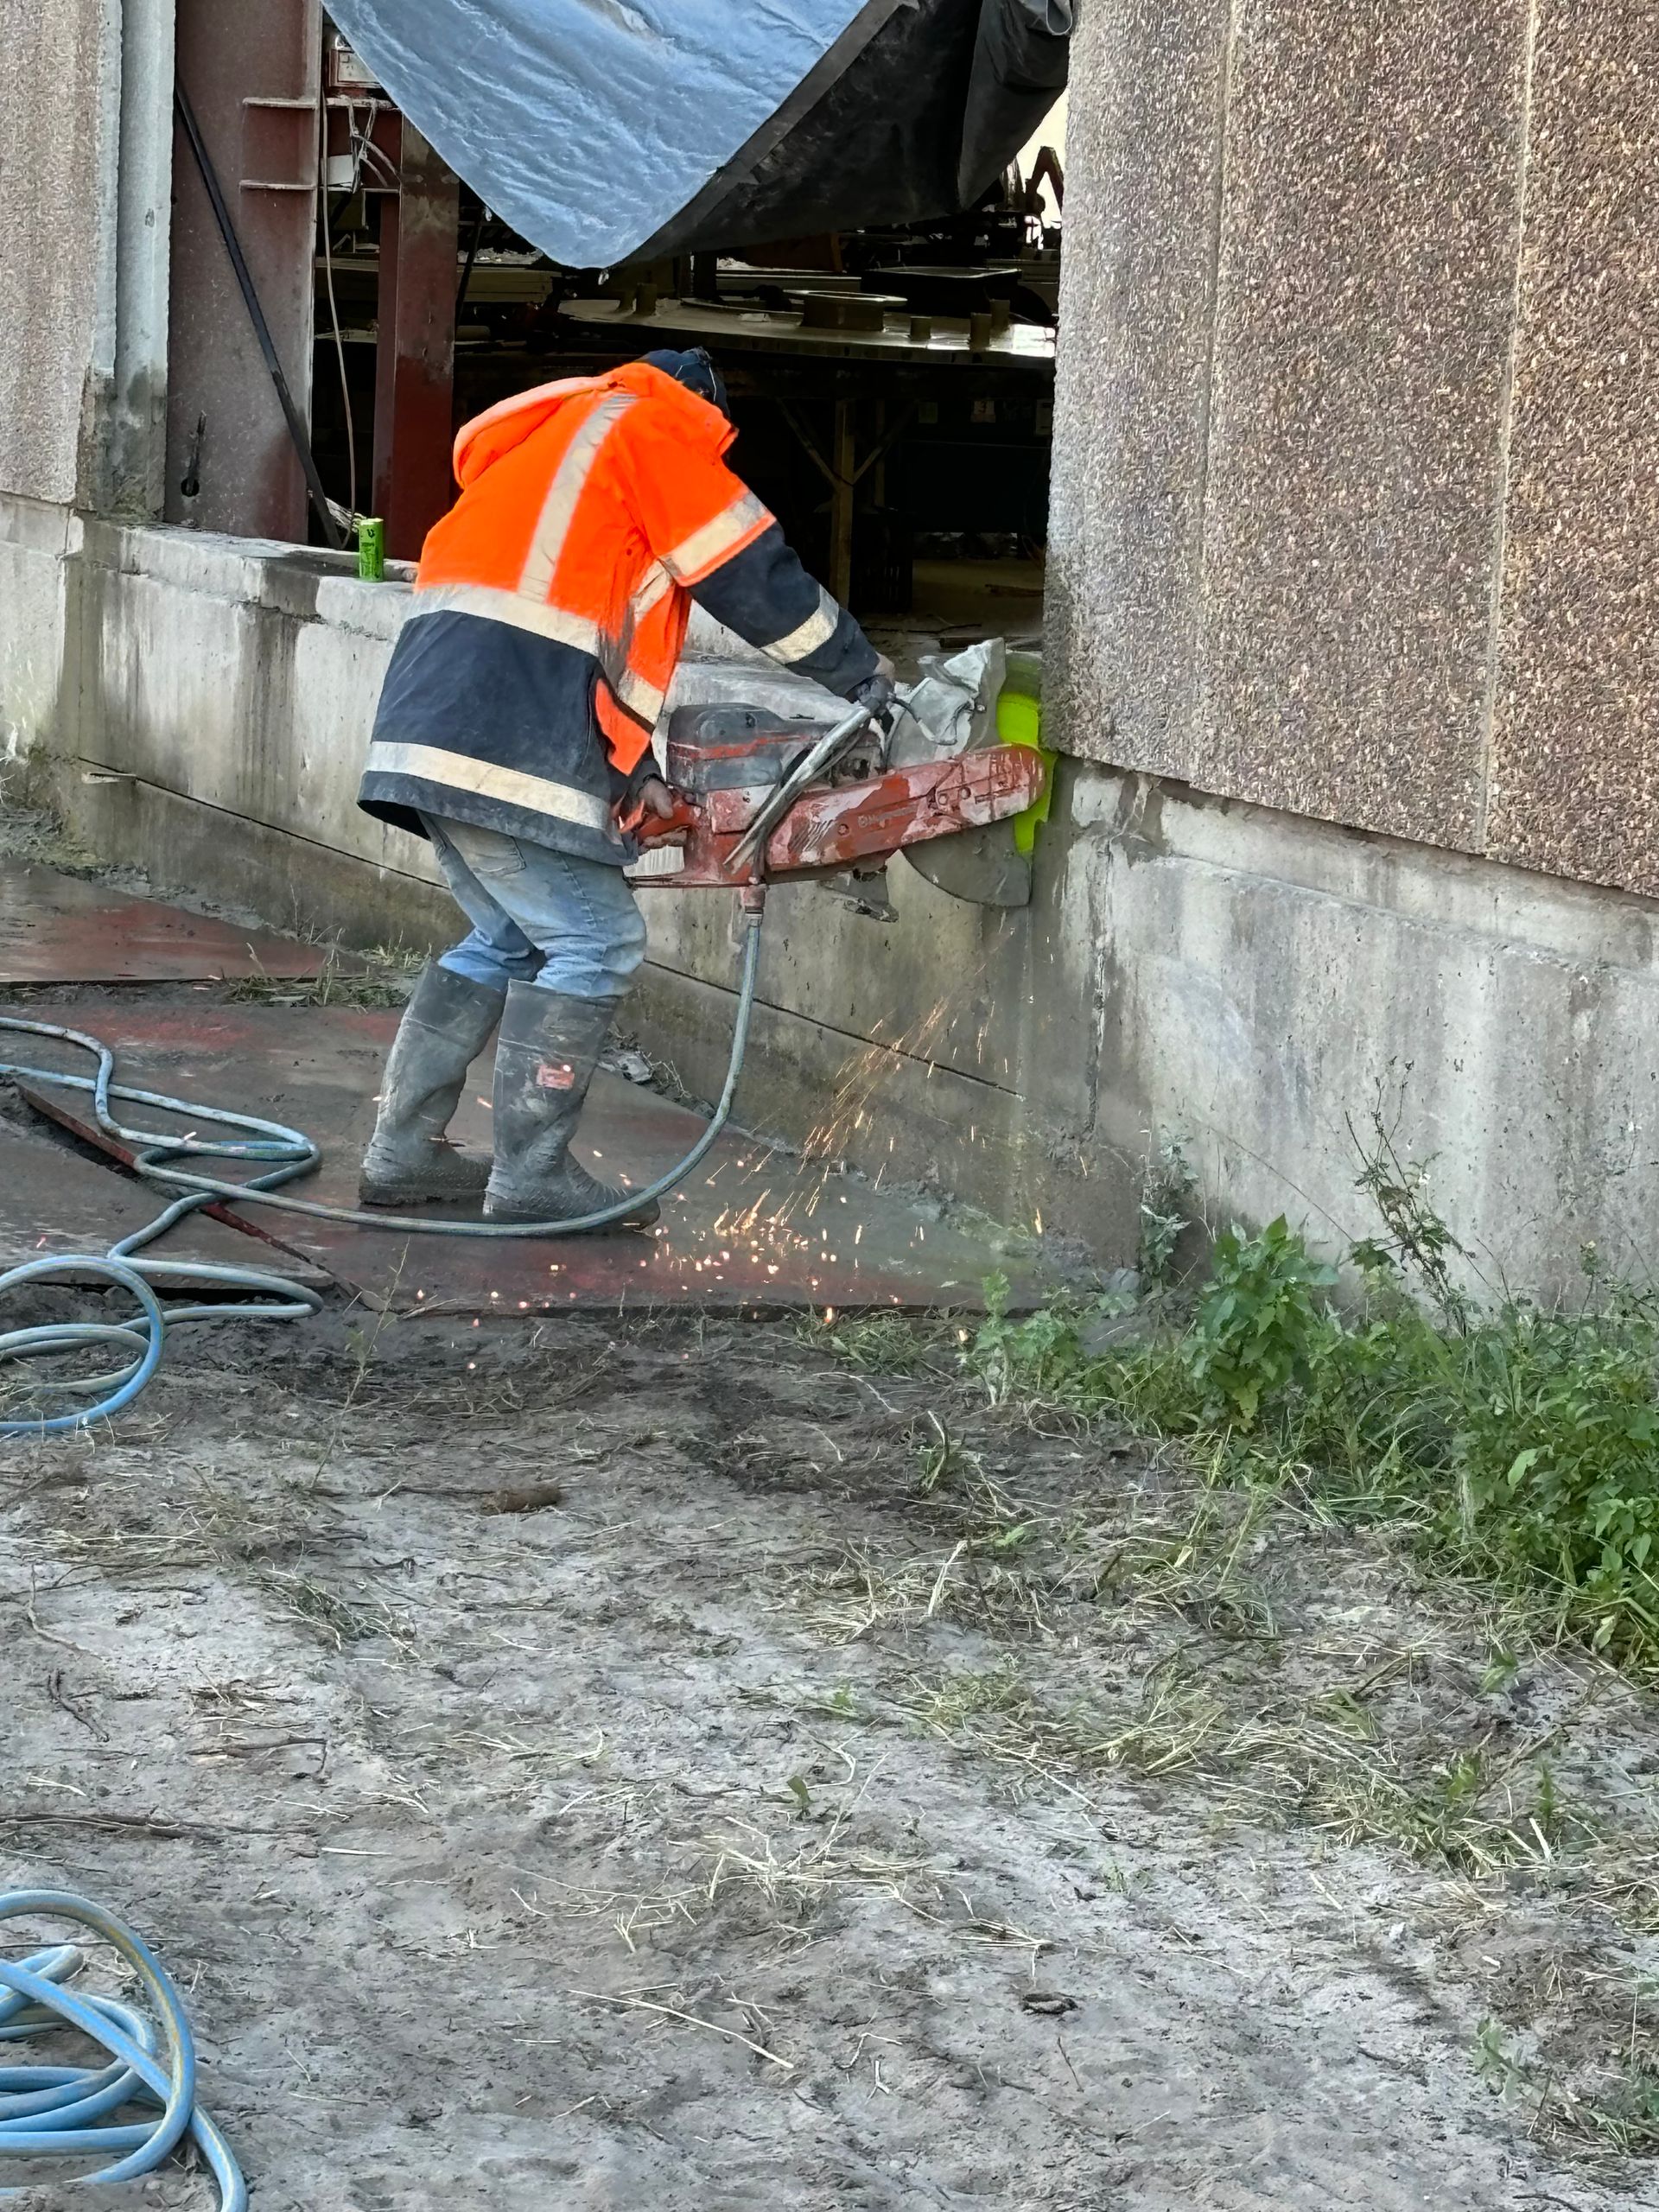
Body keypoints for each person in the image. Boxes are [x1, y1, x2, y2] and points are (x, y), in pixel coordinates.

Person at [354, 347, 894, 1229]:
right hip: (505, 727)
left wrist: (629, 770)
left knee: (507, 935)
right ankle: (531, 1177)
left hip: (428, 732)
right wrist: (858, 669)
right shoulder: (651, 431)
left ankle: (402, 1152)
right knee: (596, 940)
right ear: (700, 412)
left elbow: (579, 634)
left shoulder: (547, 448)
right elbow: (748, 570)